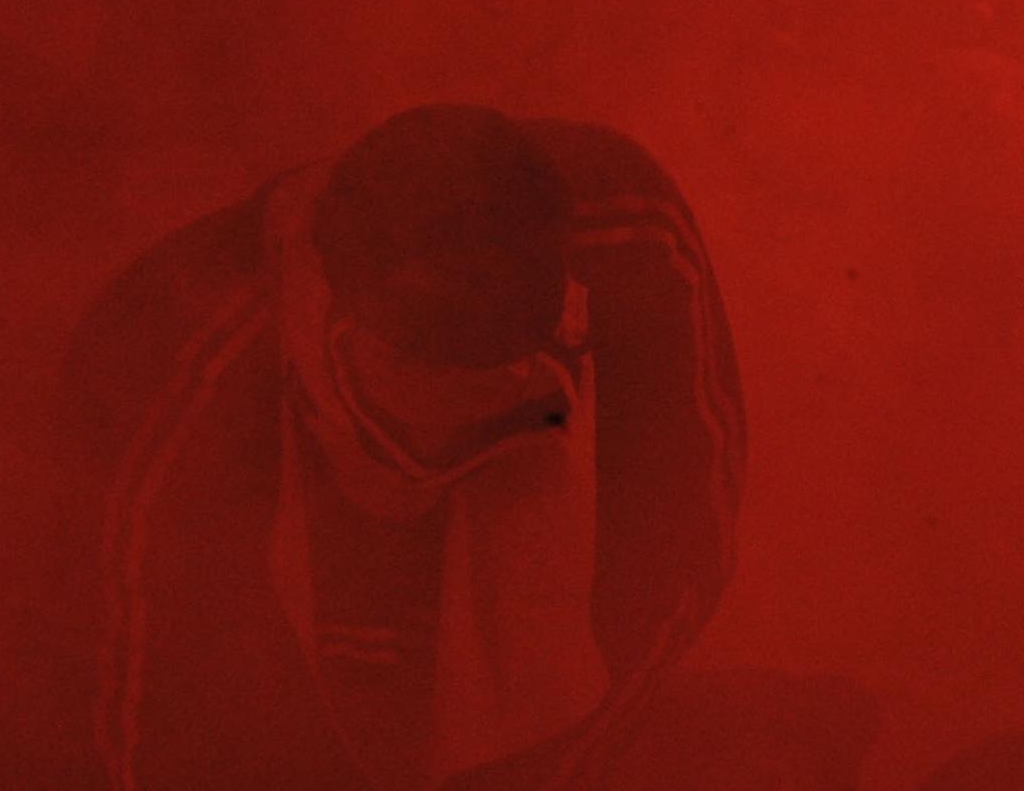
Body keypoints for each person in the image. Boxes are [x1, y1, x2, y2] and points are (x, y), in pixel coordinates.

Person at [63, 104, 744, 791]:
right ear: (333, 319)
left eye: (476, 426)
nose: (435, 447)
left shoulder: (632, 247)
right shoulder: (173, 361)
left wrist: (569, 762)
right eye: (408, 419)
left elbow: (677, 553)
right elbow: (128, 690)